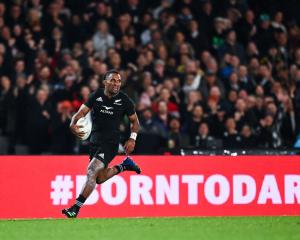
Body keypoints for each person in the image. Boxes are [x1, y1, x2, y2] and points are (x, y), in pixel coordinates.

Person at [62, 69, 141, 218]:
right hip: (95, 141)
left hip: (110, 143)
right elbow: (81, 112)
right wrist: (73, 123)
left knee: (91, 171)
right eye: (112, 80)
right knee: (99, 178)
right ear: (105, 82)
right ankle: (125, 165)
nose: (116, 84)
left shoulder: (124, 100)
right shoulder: (96, 96)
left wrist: (132, 138)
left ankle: (75, 208)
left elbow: (135, 122)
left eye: (118, 81)